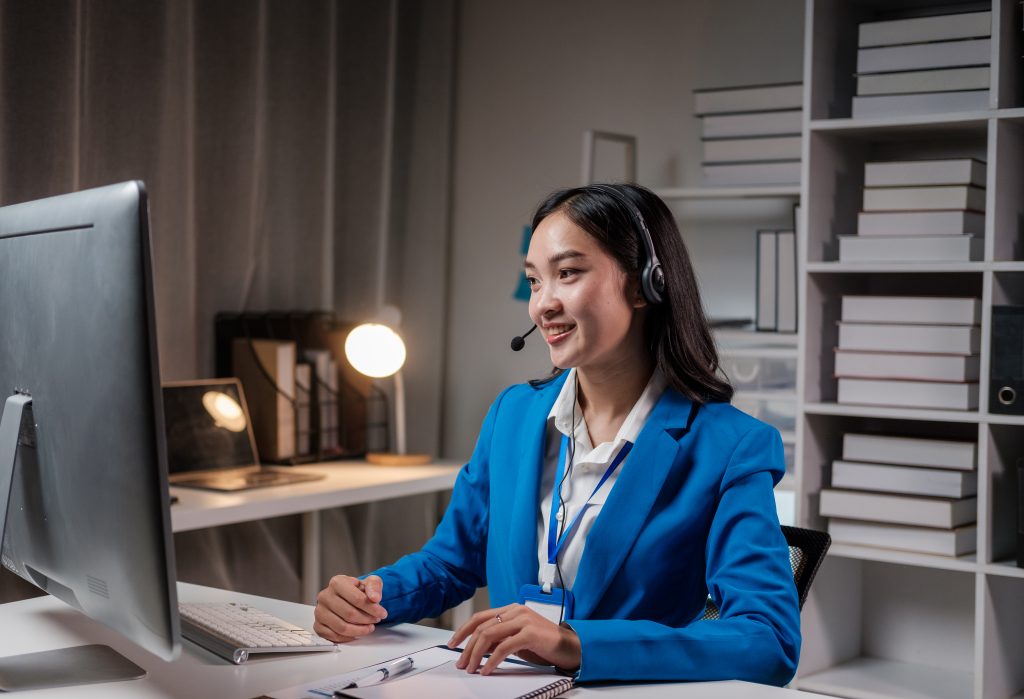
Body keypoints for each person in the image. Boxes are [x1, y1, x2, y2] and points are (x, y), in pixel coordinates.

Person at [313, 183, 800, 685]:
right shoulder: (513, 415)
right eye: (534, 281)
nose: (542, 305)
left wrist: (574, 644)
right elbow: (450, 563)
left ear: (645, 284)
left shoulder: (730, 447)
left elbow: (769, 639)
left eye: (567, 274)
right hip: (506, 690)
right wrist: (371, 597)